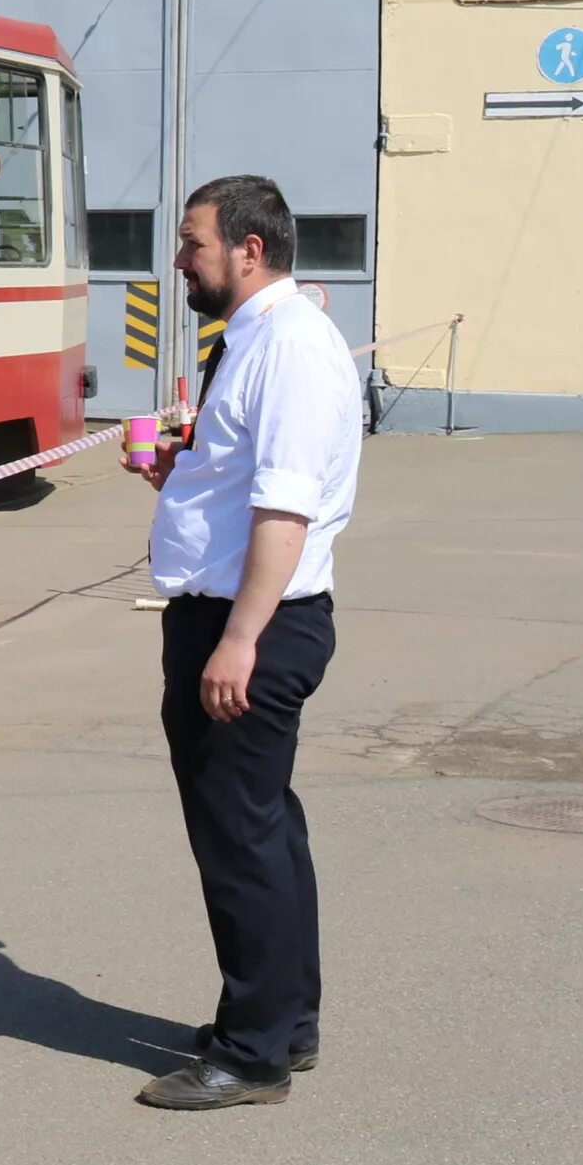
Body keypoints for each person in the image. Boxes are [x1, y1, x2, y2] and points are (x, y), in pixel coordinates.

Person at [128, 174, 363, 1111]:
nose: (180, 261)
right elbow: (243, 485)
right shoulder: (255, 340)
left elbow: (286, 508)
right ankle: (279, 1016)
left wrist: (239, 641)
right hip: (230, 614)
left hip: (250, 626)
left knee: (240, 837)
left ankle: (255, 1052)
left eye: (193, 244)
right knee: (261, 828)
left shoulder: (292, 349)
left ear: (249, 250)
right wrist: (180, 477)